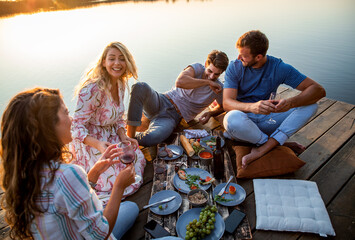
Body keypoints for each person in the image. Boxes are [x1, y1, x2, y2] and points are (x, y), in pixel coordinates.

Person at [0, 87, 139, 239]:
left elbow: (63, 201)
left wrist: (93, 174)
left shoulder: (24, 175)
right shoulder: (68, 174)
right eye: (66, 113)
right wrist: (119, 186)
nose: (72, 119)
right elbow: (101, 236)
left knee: (130, 208)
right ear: (48, 128)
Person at [223, 30, 326, 169]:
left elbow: (318, 90)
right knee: (231, 119)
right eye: (239, 53)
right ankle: (275, 143)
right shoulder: (234, 67)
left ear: (258, 57)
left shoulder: (279, 68)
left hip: (268, 120)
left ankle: (262, 148)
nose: (238, 57)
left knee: (311, 106)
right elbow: (227, 103)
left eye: (244, 55)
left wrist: (290, 103)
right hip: (244, 122)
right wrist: (252, 107)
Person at [70, 42, 146, 200]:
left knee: (136, 157)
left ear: (127, 62)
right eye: (112, 59)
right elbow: (76, 127)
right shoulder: (92, 89)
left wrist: (124, 137)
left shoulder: (120, 83)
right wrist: (98, 144)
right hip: (90, 140)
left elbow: (118, 118)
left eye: (122, 59)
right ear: (104, 62)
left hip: (110, 134)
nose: (117, 63)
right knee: (113, 178)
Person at [126, 50, 229, 146]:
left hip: (172, 117)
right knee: (140, 86)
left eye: (216, 74)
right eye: (210, 71)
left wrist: (210, 113)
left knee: (152, 139)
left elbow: (224, 106)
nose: (211, 76)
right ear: (206, 63)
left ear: (221, 73)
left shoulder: (218, 88)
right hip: (161, 101)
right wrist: (208, 82)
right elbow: (180, 82)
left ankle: (127, 139)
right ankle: (129, 135)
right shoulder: (197, 68)